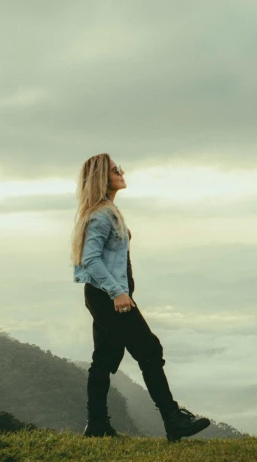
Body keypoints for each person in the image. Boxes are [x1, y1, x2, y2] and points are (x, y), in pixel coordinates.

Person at [71, 153, 210, 441]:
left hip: (103, 296)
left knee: (104, 359)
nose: (121, 172)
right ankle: (173, 419)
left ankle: (96, 424)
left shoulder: (106, 210)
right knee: (149, 350)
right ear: (101, 178)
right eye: (114, 170)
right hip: (109, 298)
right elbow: (91, 260)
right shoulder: (100, 215)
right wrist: (118, 293)